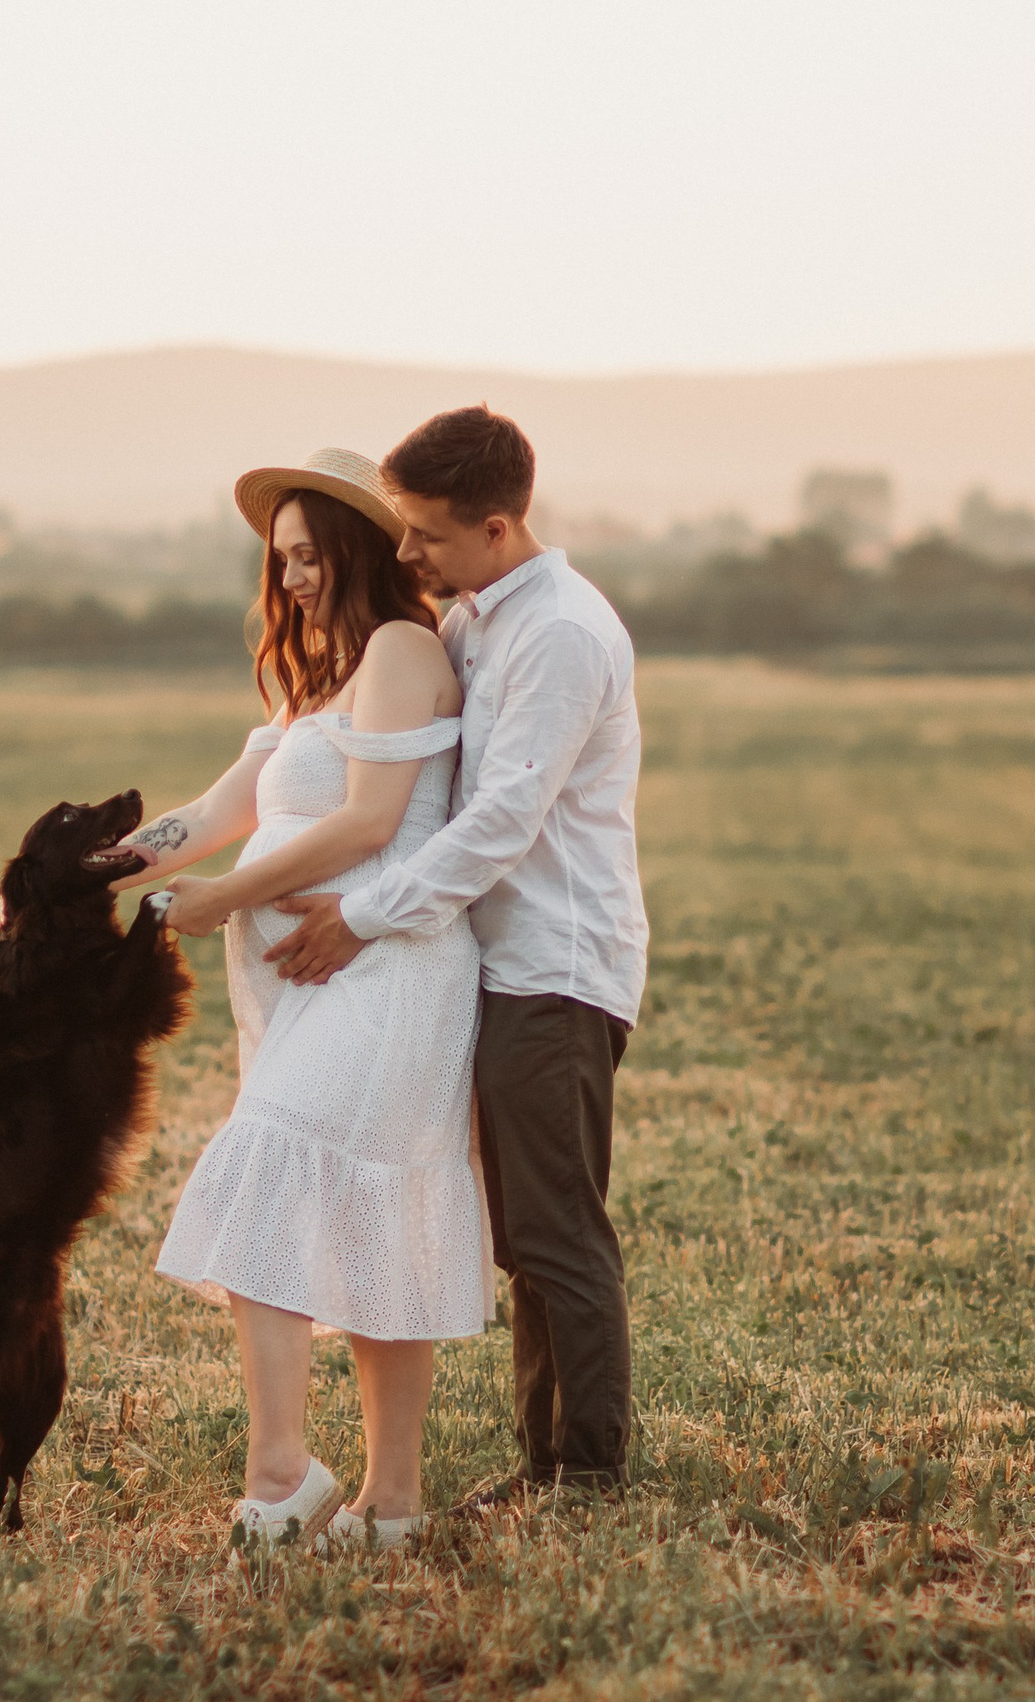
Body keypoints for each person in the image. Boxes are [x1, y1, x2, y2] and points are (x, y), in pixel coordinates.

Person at [267, 406, 649, 1501]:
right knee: (521, 1232)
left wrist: (363, 914)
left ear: (493, 525)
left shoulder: (562, 633)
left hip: (555, 968)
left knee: (553, 1224)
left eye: (424, 535)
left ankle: (588, 1473)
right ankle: (545, 1462)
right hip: (496, 966)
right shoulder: (473, 619)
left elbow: (498, 823)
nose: (404, 555)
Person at [113, 447, 483, 1550]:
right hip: (308, 983)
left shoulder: (404, 651)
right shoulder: (308, 683)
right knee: (372, 1213)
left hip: (393, 968)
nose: (295, 579)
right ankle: (394, 1507)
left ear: (360, 549)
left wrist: (222, 899)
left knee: (267, 1167)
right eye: (281, 562)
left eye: (313, 556)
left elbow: (370, 823)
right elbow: (219, 807)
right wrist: (83, 875)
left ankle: (280, 1476)